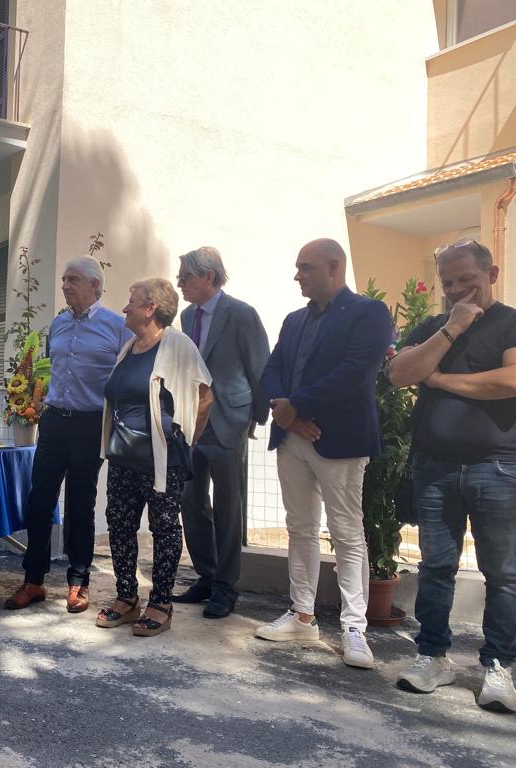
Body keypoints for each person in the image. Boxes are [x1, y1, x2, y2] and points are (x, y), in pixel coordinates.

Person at [388, 239, 516, 713]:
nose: (457, 289)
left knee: (503, 573)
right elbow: (400, 373)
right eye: (449, 282)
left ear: (492, 274)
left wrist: (440, 380)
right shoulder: (431, 326)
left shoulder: (510, 322)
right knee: (436, 567)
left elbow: (509, 382)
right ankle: (433, 656)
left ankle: (498, 666)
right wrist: (452, 327)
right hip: (435, 466)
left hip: (498, 466)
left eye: (468, 279)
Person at [258, 238, 391, 669]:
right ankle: (302, 615)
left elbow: (355, 372)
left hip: (341, 441)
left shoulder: (368, 312)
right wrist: (289, 415)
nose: (297, 275)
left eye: (305, 267)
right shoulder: (294, 319)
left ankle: (354, 627)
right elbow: (272, 370)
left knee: (347, 532)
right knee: (299, 528)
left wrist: (298, 406)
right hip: (293, 438)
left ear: (334, 267)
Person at [4, 256, 134, 612]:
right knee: (40, 500)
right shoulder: (58, 324)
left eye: (73, 279)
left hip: (91, 424)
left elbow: (127, 377)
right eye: (64, 279)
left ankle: (78, 582)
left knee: (80, 502)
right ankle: (33, 580)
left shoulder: (117, 327)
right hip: (55, 421)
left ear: (95, 285)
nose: (65, 285)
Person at [96, 278, 212, 636]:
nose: (125, 307)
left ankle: (161, 602)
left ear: (151, 308)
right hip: (124, 455)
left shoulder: (177, 345)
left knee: (164, 528)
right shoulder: (129, 347)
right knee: (119, 522)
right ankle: (127, 596)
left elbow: (205, 395)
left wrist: (188, 440)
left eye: (131, 301)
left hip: (162, 459)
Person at [174, 247, 270, 619]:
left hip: (230, 419)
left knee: (228, 504)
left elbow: (258, 366)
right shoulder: (187, 316)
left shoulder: (242, 314)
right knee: (190, 499)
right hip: (193, 421)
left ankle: (226, 587)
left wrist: (256, 417)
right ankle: (207, 575)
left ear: (209, 277)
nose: (179, 284)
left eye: (185, 277)